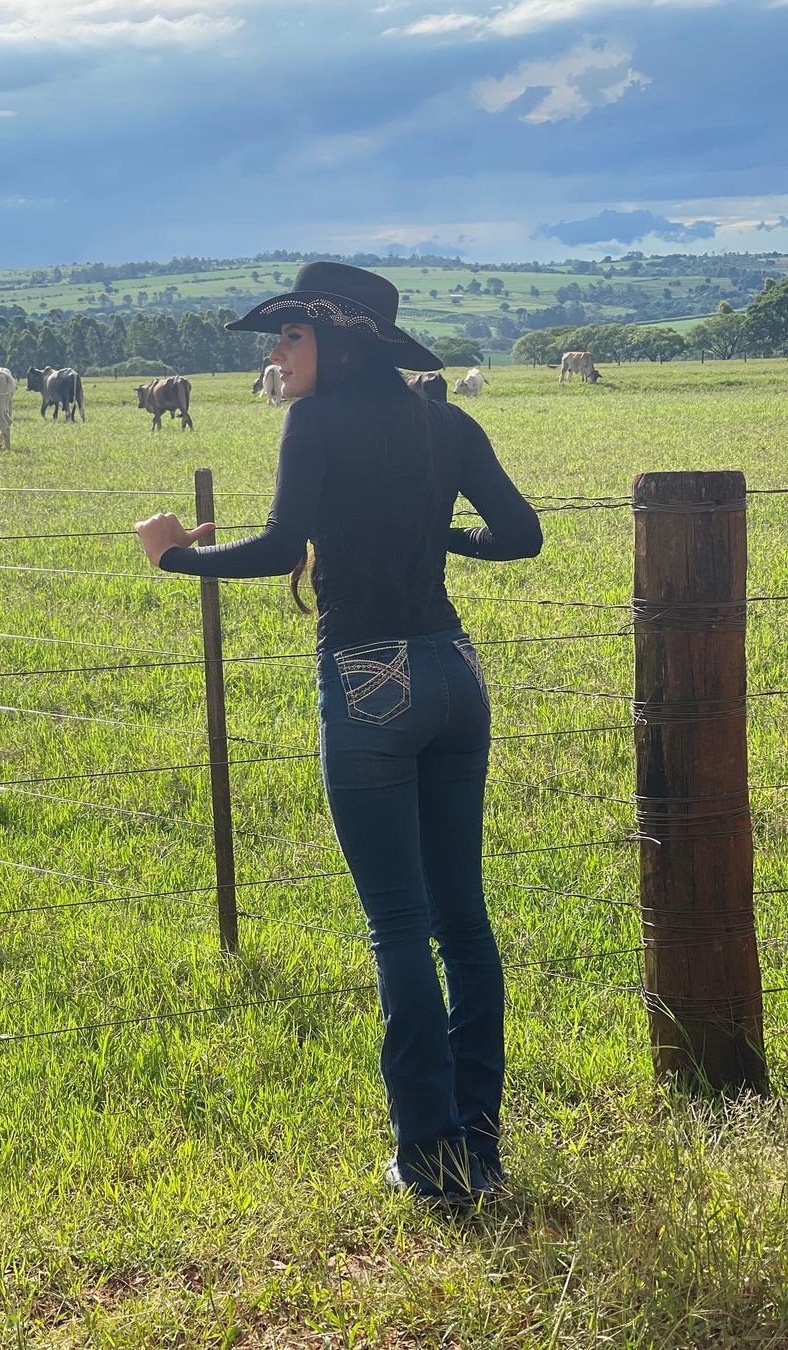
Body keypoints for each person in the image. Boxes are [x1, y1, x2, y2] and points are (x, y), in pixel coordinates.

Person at [135, 262, 542, 1205]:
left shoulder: (315, 422)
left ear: (341, 341)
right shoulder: (448, 421)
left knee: (398, 927)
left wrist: (173, 558)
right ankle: (479, 1147)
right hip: (456, 671)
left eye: (291, 338)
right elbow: (521, 536)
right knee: (463, 920)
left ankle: (430, 1163)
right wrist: (435, 536)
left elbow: (282, 549)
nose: (277, 357)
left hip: (369, 680)